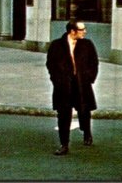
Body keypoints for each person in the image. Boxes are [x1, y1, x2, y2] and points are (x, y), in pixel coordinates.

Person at [45, 20, 99, 156]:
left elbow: (94, 62)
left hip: (82, 83)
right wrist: (56, 81)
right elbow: (50, 64)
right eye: (82, 29)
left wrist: (89, 78)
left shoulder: (87, 44)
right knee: (63, 114)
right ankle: (64, 144)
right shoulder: (57, 45)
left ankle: (87, 132)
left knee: (84, 110)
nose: (85, 31)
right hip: (64, 85)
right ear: (72, 31)